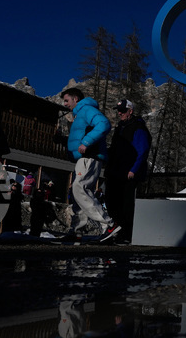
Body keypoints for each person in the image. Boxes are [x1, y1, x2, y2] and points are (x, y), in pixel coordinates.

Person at [59, 87, 120, 241]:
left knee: (80, 188)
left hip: (89, 156)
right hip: (83, 158)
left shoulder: (86, 109)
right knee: (79, 192)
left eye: (67, 100)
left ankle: (109, 224)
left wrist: (86, 142)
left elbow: (104, 124)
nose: (65, 104)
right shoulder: (80, 114)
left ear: (75, 99)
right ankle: (77, 231)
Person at [105, 99, 150, 244]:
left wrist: (133, 170)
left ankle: (126, 234)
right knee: (112, 202)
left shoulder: (138, 127)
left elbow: (142, 151)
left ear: (130, 111)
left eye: (123, 111)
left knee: (126, 205)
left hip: (128, 173)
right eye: (118, 111)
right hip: (116, 172)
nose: (119, 113)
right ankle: (118, 231)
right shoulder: (120, 127)